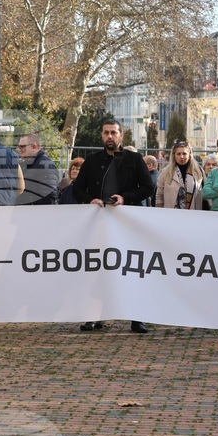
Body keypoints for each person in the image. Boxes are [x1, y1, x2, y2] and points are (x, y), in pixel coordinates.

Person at [71, 120, 153, 333]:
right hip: (98, 223)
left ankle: (137, 317)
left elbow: (148, 188)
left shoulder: (134, 159)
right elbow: (78, 189)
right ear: (101, 136)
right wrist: (90, 200)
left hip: (127, 223)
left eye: (113, 133)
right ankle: (92, 316)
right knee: (96, 268)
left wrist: (125, 198)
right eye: (106, 132)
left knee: (131, 269)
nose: (110, 136)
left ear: (121, 136)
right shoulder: (92, 161)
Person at [155, 141, 204, 210]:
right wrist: (159, 211)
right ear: (174, 156)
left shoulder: (198, 171)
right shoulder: (165, 172)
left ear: (190, 155)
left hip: (193, 214)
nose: (181, 157)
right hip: (171, 214)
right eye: (178, 154)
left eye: (184, 154)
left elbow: (203, 193)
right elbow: (159, 195)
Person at [16, 133, 59, 205]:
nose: (19, 149)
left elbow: (49, 195)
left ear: (34, 146)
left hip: (38, 213)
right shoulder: (27, 164)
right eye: (19, 147)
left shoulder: (45, 165)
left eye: (22, 146)